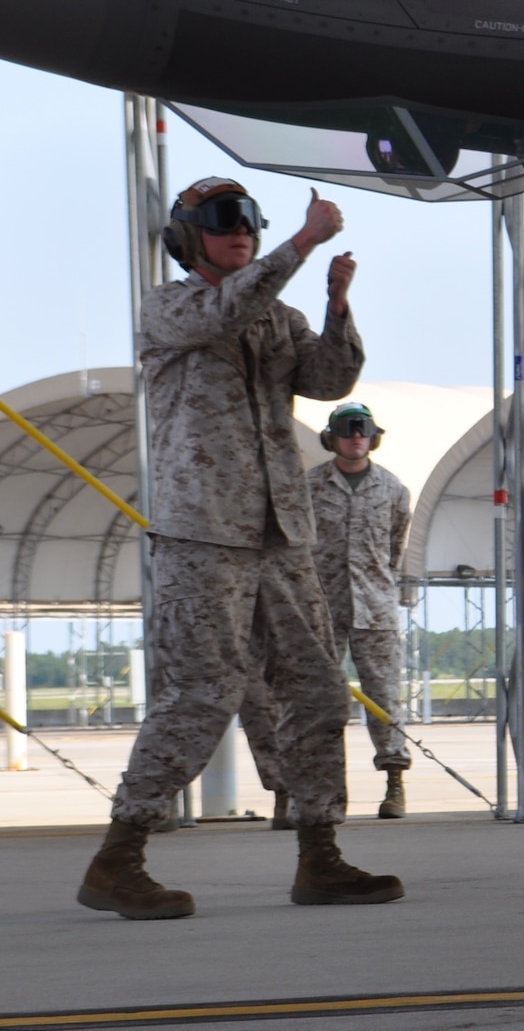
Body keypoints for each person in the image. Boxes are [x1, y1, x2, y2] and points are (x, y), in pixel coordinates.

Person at [79, 179, 402, 919]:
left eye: (251, 223)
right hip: (204, 531)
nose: (242, 232)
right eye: (225, 222)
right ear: (190, 236)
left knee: (319, 687)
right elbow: (229, 307)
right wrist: (301, 242)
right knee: (203, 689)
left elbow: (328, 378)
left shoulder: (277, 317)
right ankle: (119, 854)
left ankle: (320, 852)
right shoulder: (172, 305)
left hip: (279, 531)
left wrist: (336, 303)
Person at [243, 403, 415, 822]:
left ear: (373, 437)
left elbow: (394, 550)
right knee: (306, 703)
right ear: (331, 437)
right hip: (317, 611)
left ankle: (394, 783)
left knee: (385, 700)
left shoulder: (393, 490)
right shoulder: (310, 486)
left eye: (363, 430)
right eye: (347, 429)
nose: (356, 436)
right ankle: (291, 792)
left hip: (374, 610)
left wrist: (379, 587)